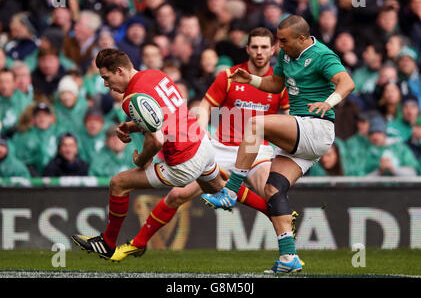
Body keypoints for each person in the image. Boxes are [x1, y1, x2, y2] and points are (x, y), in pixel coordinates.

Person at [203, 15, 355, 273]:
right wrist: (249, 79)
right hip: (301, 135)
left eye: (283, 41)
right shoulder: (287, 55)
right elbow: (275, 84)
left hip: (316, 127)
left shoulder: (322, 55)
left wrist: (328, 103)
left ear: (302, 38)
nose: (279, 45)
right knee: (273, 190)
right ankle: (289, 258)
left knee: (255, 124)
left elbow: (347, 82)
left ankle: (230, 191)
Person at [71, 48, 225, 262]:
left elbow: (157, 140)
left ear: (119, 70)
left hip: (183, 160)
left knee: (119, 183)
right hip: (201, 143)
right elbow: (165, 116)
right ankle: (276, 211)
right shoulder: (155, 74)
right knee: (223, 191)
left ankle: (107, 243)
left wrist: (141, 160)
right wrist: (132, 127)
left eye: (107, 78)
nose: (106, 84)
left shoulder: (131, 98)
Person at [198, 27, 289, 218]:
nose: (259, 52)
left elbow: (290, 118)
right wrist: (201, 129)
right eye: (255, 47)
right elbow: (205, 105)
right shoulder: (230, 76)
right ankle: (138, 243)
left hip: (257, 150)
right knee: (177, 195)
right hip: (221, 148)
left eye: (264, 47)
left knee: (273, 195)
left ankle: (288, 238)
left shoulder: (279, 83)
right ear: (247, 49)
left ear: (273, 50)